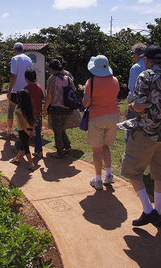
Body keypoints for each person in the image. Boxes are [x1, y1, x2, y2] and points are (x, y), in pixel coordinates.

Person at [120, 46, 161, 227]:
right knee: (159, 173)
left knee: (132, 170)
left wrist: (132, 106)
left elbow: (139, 105)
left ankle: (148, 210)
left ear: (147, 59)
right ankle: (159, 211)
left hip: (147, 131)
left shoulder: (146, 76)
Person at [83, 55, 120, 190]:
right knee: (106, 146)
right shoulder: (115, 80)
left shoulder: (91, 82)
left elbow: (86, 103)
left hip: (97, 117)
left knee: (97, 150)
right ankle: (109, 175)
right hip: (114, 116)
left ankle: (98, 180)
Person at [0, 42, 32, 138]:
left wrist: (9, 90)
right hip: (26, 90)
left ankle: (9, 131)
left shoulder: (15, 59)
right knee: (24, 111)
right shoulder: (29, 59)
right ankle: (24, 131)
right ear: (22, 49)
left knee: (11, 110)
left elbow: (13, 75)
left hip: (16, 90)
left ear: (15, 49)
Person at [43, 59, 74, 158]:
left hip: (57, 109)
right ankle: (67, 146)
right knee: (61, 129)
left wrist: (45, 109)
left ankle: (60, 152)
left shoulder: (52, 79)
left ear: (52, 69)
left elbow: (49, 97)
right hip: (68, 108)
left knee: (57, 131)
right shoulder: (67, 78)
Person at [9, 89, 35, 171]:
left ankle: (31, 164)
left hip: (23, 130)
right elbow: (33, 120)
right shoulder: (29, 108)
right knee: (22, 146)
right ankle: (16, 159)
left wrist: (26, 131)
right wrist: (32, 130)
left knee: (26, 147)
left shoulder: (18, 111)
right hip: (29, 128)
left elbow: (22, 123)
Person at [24, 68, 45, 158]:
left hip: (29, 116)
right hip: (38, 115)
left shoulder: (26, 89)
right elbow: (41, 99)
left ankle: (18, 147)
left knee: (24, 133)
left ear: (26, 78)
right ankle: (39, 151)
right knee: (38, 134)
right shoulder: (39, 87)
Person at [126, 43, 146, 120]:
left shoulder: (135, 67)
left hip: (136, 103)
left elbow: (133, 88)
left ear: (137, 54)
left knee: (131, 129)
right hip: (150, 102)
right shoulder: (152, 65)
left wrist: (129, 100)